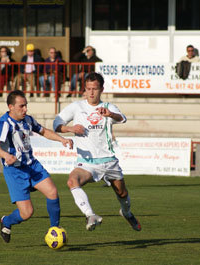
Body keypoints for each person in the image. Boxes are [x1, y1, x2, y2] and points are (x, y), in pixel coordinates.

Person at [53, 72, 141, 232]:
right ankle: (90, 215)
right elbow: (56, 123)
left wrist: (111, 115)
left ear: (101, 90)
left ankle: (127, 213)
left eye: (95, 89)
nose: (91, 92)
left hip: (108, 161)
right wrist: (70, 128)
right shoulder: (76, 107)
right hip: (86, 163)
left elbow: (122, 118)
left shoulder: (108, 107)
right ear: (84, 89)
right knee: (72, 181)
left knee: (122, 193)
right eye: (88, 89)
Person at [0, 90, 73, 243]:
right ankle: (6, 221)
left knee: (52, 192)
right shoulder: (4, 123)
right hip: (15, 171)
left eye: (26, 105)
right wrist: (6, 155)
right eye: (21, 106)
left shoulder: (27, 119)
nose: (25, 109)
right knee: (27, 213)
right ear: (11, 107)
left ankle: (54, 230)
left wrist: (62, 139)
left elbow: (44, 131)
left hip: (32, 165)